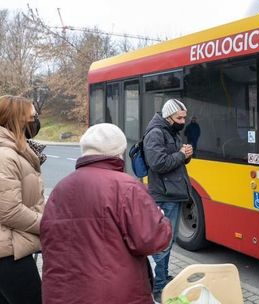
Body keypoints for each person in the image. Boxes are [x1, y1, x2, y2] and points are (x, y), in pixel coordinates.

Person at [40, 123, 172, 304]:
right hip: (114, 295)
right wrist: (161, 219)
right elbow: (151, 240)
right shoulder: (126, 187)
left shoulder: (60, 188)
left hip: (63, 294)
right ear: (119, 151)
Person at [144, 98, 194, 302]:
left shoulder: (169, 130)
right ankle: (159, 287)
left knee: (168, 240)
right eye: (179, 117)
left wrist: (186, 155)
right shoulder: (156, 133)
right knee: (164, 243)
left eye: (184, 117)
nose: (183, 121)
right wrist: (182, 155)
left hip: (171, 193)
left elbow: (173, 158)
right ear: (168, 117)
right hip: (164, 196)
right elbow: (158, 163)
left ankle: (162, 278)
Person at [0, 95, 44, 304]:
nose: (36, 121)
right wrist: (46, 224)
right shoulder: (5, 155)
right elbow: (8, 210)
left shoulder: (16, 152)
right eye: (32, 117)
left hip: (11, 248)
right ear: (17, 120)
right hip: (8, 253)